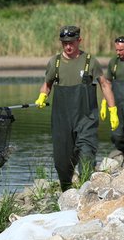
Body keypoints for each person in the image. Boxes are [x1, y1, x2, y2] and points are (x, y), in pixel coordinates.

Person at [35, 26, 118, 191]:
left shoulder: (89, 61)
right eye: (64, 43)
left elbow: (105, 85)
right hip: (62, 121)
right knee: (62, 161)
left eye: (71, 42)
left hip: (86, 119)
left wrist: (112, 110)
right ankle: (66, 192)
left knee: (86, 155)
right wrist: (43, 95)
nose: (68, 46)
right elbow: (47, 84)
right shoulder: (55, 62)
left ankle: (86, 191)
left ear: (79, 41)